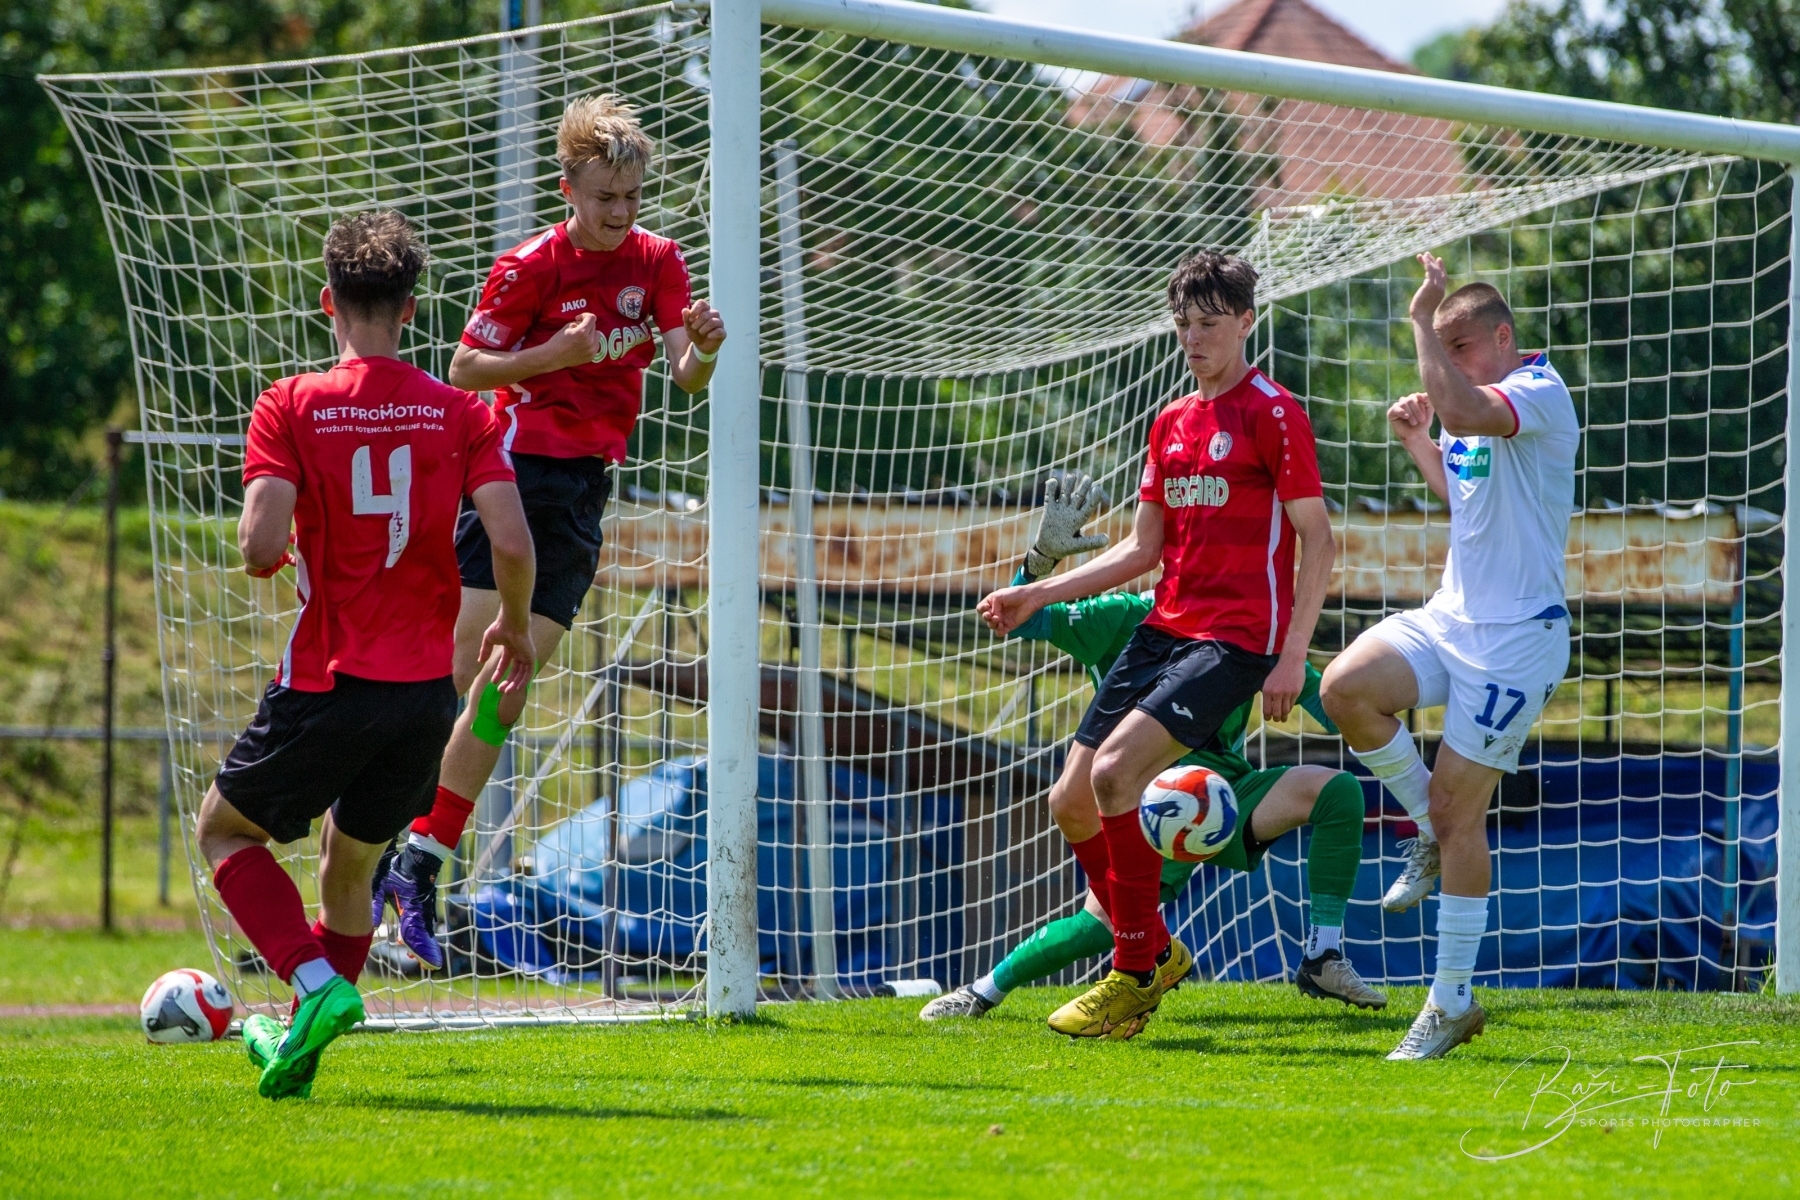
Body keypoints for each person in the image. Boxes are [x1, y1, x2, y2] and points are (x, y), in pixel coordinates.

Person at [373, 93, 727, 965]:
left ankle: (419, 858)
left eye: (632, 197)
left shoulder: (660, 261)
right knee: (456, 674)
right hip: (512, 473)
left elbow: (685, 374)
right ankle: (379, 840)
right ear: (569, 188)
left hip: (581, 491)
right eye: (605, 197)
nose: (620, 212)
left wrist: (707, 347)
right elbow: (464, 366)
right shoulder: (529, 266)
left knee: (509, 682)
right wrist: (553, 355)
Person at [193, 212, 535, 1099]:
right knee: (348, 868)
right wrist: (513, 624)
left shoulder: (290, 403)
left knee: (223, 830)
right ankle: (299, 1054)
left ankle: (313, 985)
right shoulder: (461, 410)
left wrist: (275, 543)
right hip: (424, 697)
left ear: (327, 302)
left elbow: (259, 543)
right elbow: (510, 539)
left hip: (330, 678)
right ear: (411, 309)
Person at [977, 252, 1336, 1039]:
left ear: (1245, 323)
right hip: (1166, 627)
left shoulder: (1274, 413)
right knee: (1070, 799)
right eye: (1183, 325)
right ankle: (1156, 950)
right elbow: (1143, 549)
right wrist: (1039, 591)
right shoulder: (1171, 422)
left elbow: (1319, 538)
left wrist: (1290, 654)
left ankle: (1132, 972)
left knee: (1114, 773)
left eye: (1210, 323)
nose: (1194, 338)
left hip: (1236, 640)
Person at [922, 475, 1382, 1020]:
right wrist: (1039, 561)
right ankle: (981, 993)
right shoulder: (1119, 616)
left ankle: (1323, 954)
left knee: (1339, 792)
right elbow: (1021, 619)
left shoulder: (1253, 626)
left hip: (1227, 792)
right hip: (1141, 805)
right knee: (1102, 925)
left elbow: (1331, 705)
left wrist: (1386, 720)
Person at [1319, 253, 1577, 1061]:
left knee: (1461, 815)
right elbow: (1467, 497)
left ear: (1502, 338)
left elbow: (1463, 409)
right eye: (1445, 348)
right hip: (1450, 618)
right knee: (1345, 687)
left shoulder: (1538, 391)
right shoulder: (1474, 414)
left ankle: (1450, 1002)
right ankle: (1430, 829)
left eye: (1459, 346)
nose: (1449, 363)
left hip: (1516, 643)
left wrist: (1418, 321)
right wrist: (1417, 443)